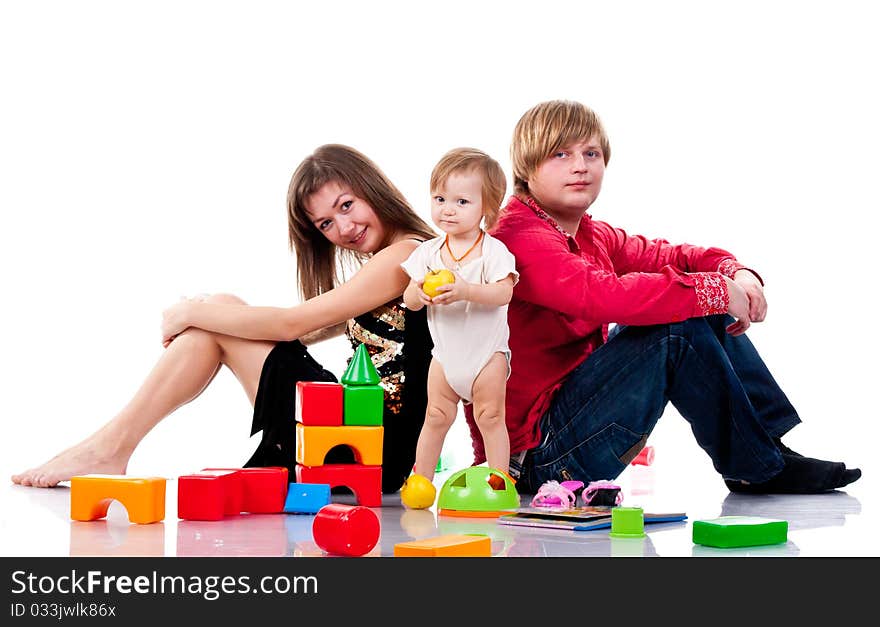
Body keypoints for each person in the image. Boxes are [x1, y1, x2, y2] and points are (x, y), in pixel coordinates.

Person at [464, 100, 861, 495]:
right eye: (560, 154)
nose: (580, 166)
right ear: (526, 165)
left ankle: (766, 450)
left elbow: (669, 256)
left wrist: (732, 272)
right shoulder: (517, 235)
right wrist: (714, 291)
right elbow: (602, 296)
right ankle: (757, 466)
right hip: (534, 460)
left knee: (694, 297)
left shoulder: (589, 233)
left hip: (571, 428)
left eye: (591, 153)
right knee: (680, 316)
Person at [12, 144, 437, 494]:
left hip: (373, 447)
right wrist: (216, 315)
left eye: (347, 206)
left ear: (373, 189)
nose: (344, 227)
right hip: (357, 433)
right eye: (327, 222)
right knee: (223, 311)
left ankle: (110, 447)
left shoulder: (406, 254)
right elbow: (306, 330)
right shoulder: (391, 260)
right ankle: (108, 446)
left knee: (217, 313)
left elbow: (291, 324)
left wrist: (192, 312)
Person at [401, 148, 518, 483]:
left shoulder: (493, 252)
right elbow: (409, 299)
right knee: (435, 415)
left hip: (486, 355)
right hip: (446, 356)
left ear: (487, 209)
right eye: (439, 199)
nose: (447, 210)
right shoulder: (428, 252)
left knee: (491, 415)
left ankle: (499, 480)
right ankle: (420, 481)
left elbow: (503, 293)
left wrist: (467, 290)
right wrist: (420, 292)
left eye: (461, 202)